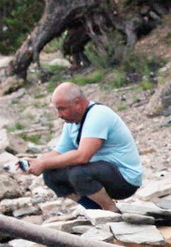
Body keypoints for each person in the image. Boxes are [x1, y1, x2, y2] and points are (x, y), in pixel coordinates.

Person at [20, 83, 144, 212]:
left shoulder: (98, 115)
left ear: (78, 103)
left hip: (125, 180)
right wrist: (36, 163)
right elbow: (58, 152)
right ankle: (94, 210)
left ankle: (111, 210)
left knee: (79, 173)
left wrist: (44, 163)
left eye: (62, 109)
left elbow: (83, 156)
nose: (59, 115)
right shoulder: (72, 122)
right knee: (51, 174)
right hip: (101, 174)